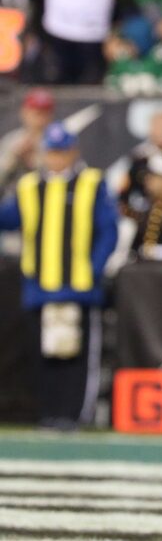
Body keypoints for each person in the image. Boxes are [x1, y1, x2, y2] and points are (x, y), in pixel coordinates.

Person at [0, 122, 118, 428]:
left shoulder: (91, 183)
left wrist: (92, 270)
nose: (55, 159)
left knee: (76, 356)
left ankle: (75, 415)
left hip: (78, 286)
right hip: (39, 287)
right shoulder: (28, 186)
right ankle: (49, 414)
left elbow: (108, 232)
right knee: (44, 355)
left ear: (73, 152)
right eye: (51, 152)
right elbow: (7, 219)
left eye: (61, 152)